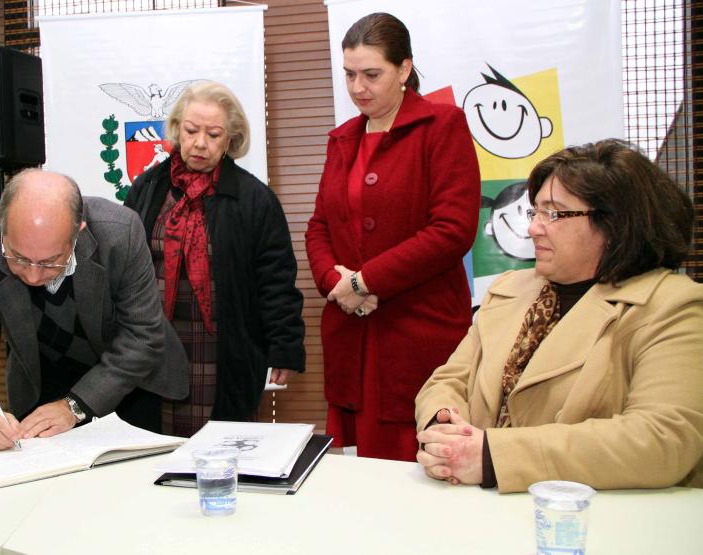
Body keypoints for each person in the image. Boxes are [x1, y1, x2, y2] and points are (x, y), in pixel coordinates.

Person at [415, 139, 703, 493]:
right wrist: (443, 428)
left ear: (614, 223)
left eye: (553, 214)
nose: (533, 228)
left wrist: (492, 457)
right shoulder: (509, 290)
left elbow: (663, 437)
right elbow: (448, 381)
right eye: (534, 212)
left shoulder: (672, 306)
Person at [305, 13, 480, 460]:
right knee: (357, 479)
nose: (358, 87)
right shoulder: (342, 138)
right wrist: (336, 283)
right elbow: (319, 226)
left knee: (418, 470)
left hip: (417, 334)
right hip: (352, 335)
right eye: (349, 75)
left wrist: (365, 281)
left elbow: (452, 229)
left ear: (404, 69)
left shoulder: (442, 126)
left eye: (371, 74)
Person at [0, 169, 188, 450]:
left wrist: (74, 407)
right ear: (0, 224)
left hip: (128, 381)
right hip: (42, 382)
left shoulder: (119, 232)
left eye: (49, 262)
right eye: (18, 258)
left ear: (78, 232)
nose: (33, 276)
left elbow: (141, 337)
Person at [124, 81, 305, 437]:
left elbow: (276, 281)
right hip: (153, 347)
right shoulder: (147, 188)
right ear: (177, 129)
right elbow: (123, 265)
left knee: (220, 449)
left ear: (230, 140)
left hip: (222, 350)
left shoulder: (254, 199)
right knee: (152, 448)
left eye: (213, 134)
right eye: (191, 131)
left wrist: (284, 347)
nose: (199, 143)